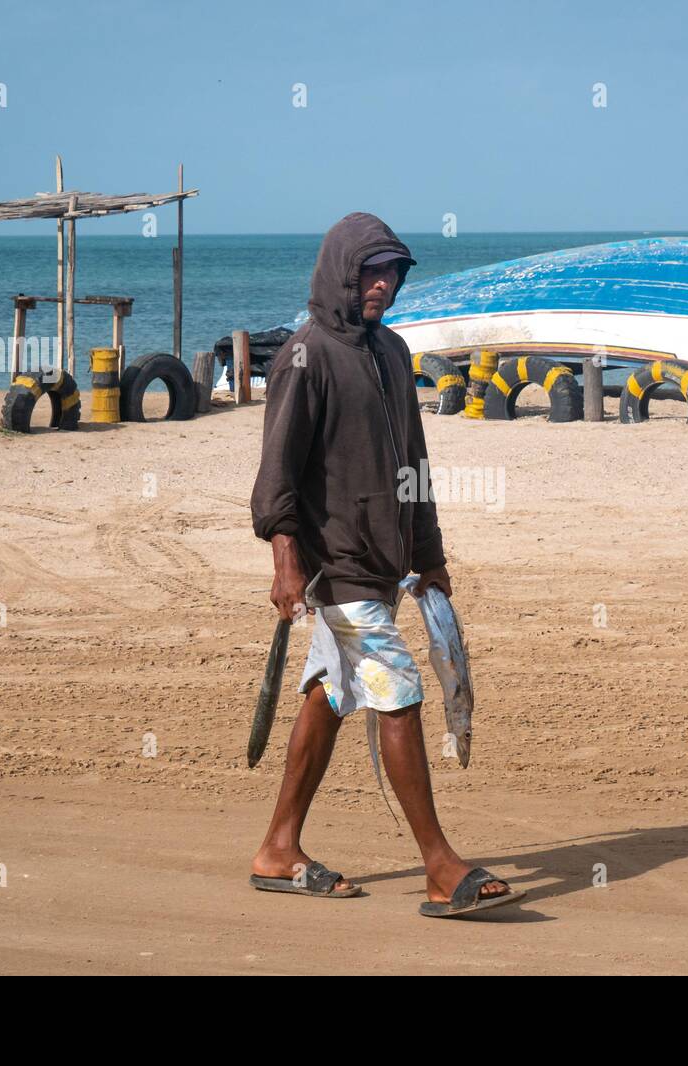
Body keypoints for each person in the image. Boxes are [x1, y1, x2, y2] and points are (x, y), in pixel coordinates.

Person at [248, 212, 523, 917]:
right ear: (340, 272)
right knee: (396, 688)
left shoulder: (394, 354)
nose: (383, 286)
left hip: (385, 565)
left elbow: (415, 466)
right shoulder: (305, 358)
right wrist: (284, 563)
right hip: (334, 573)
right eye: (371, 272)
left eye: (393, 273)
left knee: (333, 696)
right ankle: (439, 866)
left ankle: (278, 848)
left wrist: (428, 556)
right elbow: (276, 478)